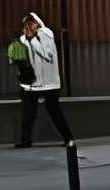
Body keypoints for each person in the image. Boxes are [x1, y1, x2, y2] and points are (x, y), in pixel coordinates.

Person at [14, 10, 72, 147]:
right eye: (25, 26)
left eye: (30, 25)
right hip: (31, 83)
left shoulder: (46, 34)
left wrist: (33, 39)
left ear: (36, 23)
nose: (27, 29)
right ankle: (25, 141)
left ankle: (68, 138)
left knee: (55, 112)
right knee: (27, 112)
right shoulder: (24, 38)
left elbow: (47, 55)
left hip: (49, 83)